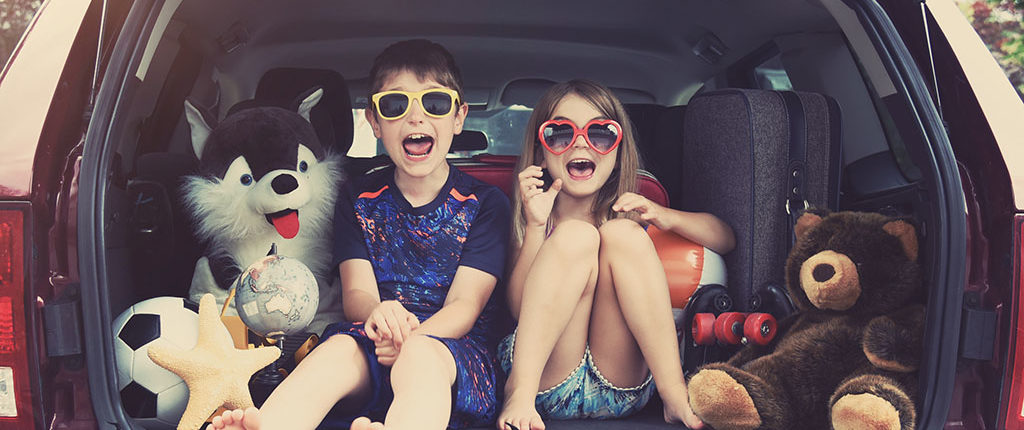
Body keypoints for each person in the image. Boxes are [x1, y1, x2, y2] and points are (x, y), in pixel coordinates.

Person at [211, 39, 511, 430]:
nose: (416, 118)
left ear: (459, 117)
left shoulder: (485, 202)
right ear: (374, 121)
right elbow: (357, 294)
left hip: (452, 356)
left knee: (420, 357)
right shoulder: (358, 197)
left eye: (434, 103)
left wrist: (409, 340)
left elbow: (464, 308)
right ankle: (269, 425)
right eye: (395, 105)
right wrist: (379, 314)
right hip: (375, 337)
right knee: (336, 351)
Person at [496, 79, 735, 430]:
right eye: (560, 133)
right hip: (543, 382)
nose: (580, 143)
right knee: (575, 237)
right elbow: (519, 308)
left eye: (601, 134)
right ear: (541, 151)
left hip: (619, 386)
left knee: (620, 233)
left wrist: (663, 216)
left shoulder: (630, 212)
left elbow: (725, 238)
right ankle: (518, 393)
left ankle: (674, 393)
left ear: (618, 151)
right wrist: (535, 227)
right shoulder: (529, 219)